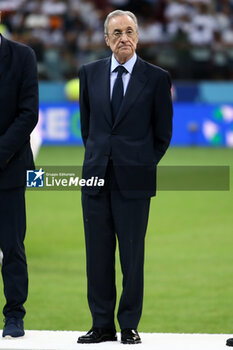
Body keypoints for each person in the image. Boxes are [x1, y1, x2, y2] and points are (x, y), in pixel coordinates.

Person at [78, 9, 173, 344]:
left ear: (138, 37)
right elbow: (87, 130)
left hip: (134, 182)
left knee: (132, 257)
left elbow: (162, 135)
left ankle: (129, 324)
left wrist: (140, 165)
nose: (123, 38)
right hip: (95, 179)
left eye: (129, 31)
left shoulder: (157, 78)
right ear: (106, 39)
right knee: (97, 256)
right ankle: (101, 324)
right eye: (116, 33)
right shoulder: (88, 74)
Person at [0, 11, 38, 338]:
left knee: (12, 246)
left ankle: (14, 315)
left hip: (9, 169)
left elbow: (28, 114)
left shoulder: (22, 56)